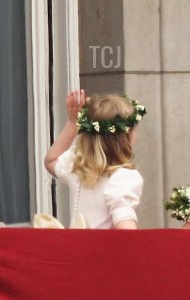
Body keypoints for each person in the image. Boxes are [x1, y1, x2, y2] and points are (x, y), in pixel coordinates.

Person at [43, 90, 145, 229]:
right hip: (101, 250)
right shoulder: (123, 178)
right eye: (133, 130)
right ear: (124, 138)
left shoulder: (78, 167)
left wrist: (72, 123)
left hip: (77, 248)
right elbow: (126, 232)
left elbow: (51, 161)